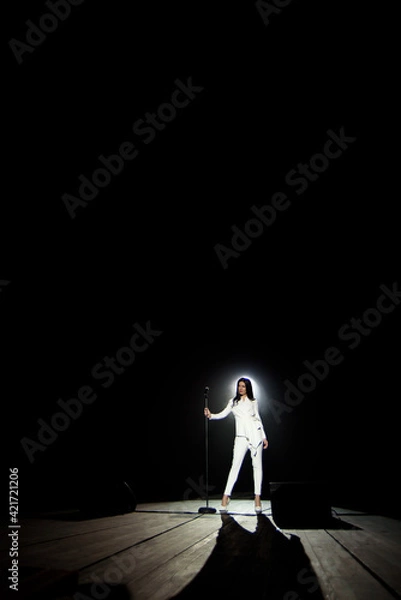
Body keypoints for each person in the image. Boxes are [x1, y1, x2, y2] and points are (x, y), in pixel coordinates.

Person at [204, 377, 268, 513]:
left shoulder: (253, 402)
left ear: (248, 388)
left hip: (256, 436)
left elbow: (258, 419)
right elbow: (223, 414)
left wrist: (264, 436)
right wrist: (211, 416)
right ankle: (225, 496)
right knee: (235, 467)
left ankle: (257, 498)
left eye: (243, 386)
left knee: (257, 467)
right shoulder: (233, 402)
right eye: (239, 386)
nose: (240, 388)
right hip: (241, 438)